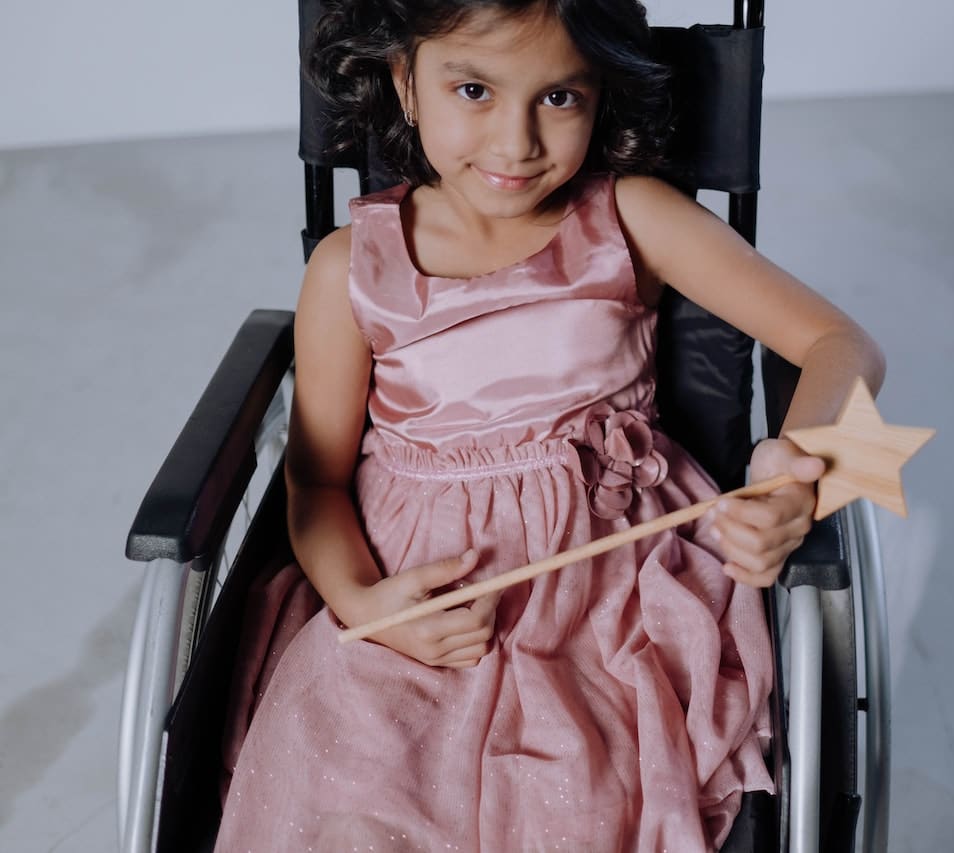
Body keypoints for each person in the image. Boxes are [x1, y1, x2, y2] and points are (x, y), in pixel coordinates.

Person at [217, 0, 885, 850]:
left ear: (601, 93)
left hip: (609, 597)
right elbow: (316, 479)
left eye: (561, 98)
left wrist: (800, 467)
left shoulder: (629, 218)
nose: (517, 142)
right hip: (415, 590)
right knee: (351, 794)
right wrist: (365, 604)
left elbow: (842, 343)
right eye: (473, 90)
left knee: (574, 802)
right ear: (406, 85)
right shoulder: (353, 267)